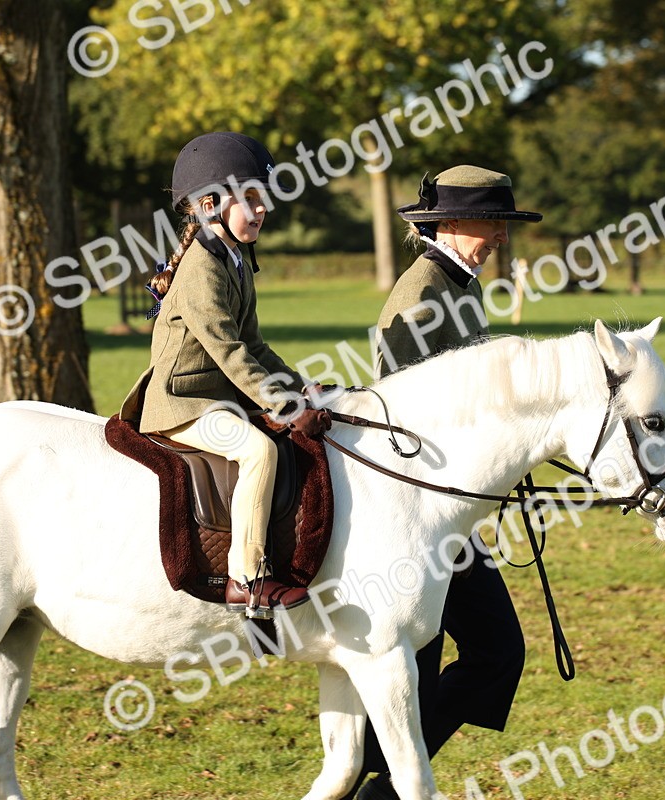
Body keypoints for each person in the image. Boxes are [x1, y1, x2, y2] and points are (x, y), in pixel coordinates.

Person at [357, 166, 543, 800]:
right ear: (451, 223)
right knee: (462, 654)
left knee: (474, 654)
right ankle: (379, 783)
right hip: (418, 508)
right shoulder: (421, 293)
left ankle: (377, 783)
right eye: (492, 224)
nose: (500, 238)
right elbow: (408, 408)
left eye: (503, 226)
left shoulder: (459, 285)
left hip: (451, 508)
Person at [120, 132, 330, 620]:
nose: (261, 210)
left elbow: (255, 344)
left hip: (216, 399)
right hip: (180, 404)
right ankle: (248, 579)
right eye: (250, 199)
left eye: (264, 200)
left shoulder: (235, 258)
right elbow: (230, 352)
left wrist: (300, 387)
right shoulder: (201, 268)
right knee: (257, 450)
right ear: (210, 205)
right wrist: (286, 407)